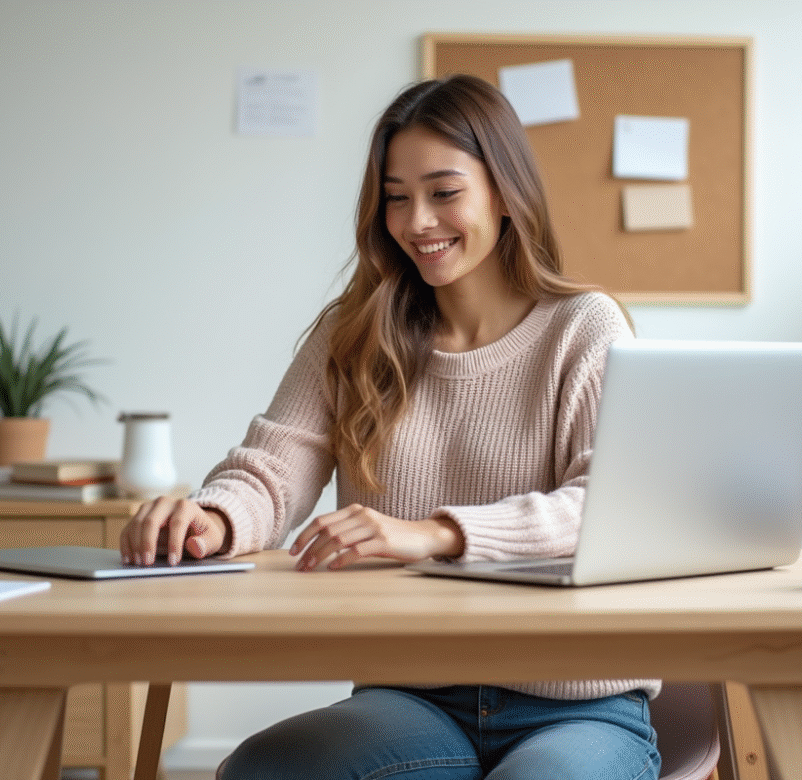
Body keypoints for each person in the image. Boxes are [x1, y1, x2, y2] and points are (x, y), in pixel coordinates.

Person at [120, 74, 660, 780]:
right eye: (397, 198)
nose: (417, 222)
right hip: (414, 696)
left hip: (579, 706)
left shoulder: (584, 326)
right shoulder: (355, 334)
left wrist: (434, 535)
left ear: (504, 191)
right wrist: (212, 520)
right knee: (265, 770)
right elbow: (272, 470)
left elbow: (608, 509)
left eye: (443, 192)